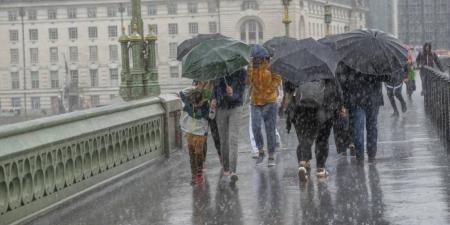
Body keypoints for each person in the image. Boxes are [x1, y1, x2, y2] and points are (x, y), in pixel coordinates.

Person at [285, 78, 344, 181]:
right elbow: (337, 91)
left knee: (305, 137)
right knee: (322, 139)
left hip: (300, 108)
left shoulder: (298, 67)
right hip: (324, 110)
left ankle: (303, 162)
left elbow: (288, 87)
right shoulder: (326, 69)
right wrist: (340, 106)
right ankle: (320, 169)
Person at [338, 64, 384, 162]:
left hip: (357, 98)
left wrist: (344, 102)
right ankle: (371, 153)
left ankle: (360, 155)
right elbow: (386, 77)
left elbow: (344, 82)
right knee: (371, 126)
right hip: (372, 98)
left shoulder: (350, 59)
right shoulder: (377, 59)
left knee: (358, 127)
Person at [247, 45, 282, 167]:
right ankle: (261, 150)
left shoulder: (271, 65)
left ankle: (271, 154)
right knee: (255, 126)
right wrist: (251, 70)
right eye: (253, 58)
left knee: (270, 129)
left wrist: (270, 89)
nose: (255, 60)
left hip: (270, 101)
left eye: (257, 58)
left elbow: (277, 78)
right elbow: (248, 82)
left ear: (262, 57)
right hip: (255, 101)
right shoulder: (251, 67)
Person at [212, 69, 246, 186]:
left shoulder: (241, 71)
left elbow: (241, 91)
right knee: (224, 141)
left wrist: (232, 94)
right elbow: (215, 88)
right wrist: (214, 98)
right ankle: (226, 169)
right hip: (221, 108)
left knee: (233, 139)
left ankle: (233, 171)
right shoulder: (218, 71)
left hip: (235, 107)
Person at [179, 86, 216, 185]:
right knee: (191, 154)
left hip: (200, 134)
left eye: (197, 103)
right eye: (193, 103)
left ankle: (199, 173)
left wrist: (212, 108)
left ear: (201, 101)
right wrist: (194, 87)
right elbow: (181, 92)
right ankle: (193, 175)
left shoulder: (205, 107)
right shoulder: (189, 105)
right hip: (190, 133)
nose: (195, 105)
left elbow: (211, 117)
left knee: (198, 153)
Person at [192, 80, 221, 162]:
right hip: (201, 111)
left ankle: (222, 160)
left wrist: (214, 99)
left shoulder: (215, 80)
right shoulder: (197, 81)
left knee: (216, 137)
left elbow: (219, 91)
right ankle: (202, 163)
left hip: (213, 110)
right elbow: (194, 98)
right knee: (202, 137)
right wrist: (198, 89)